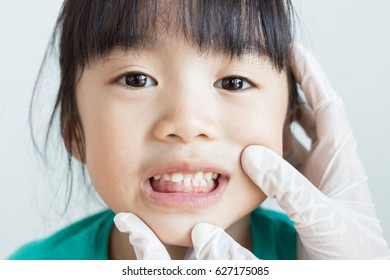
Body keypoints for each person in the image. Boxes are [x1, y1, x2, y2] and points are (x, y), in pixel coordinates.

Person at [8, 0, 389, 260]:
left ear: (286, 127)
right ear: (73, 128)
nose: (188, 125)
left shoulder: (327, 264)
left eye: (234, 82)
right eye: (137, 79)